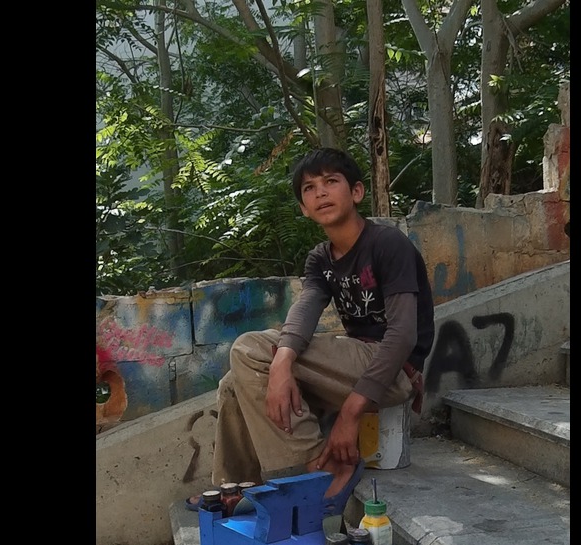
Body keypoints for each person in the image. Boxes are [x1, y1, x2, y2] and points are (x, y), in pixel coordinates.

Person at [186, 147, 434, 514]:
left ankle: (312, 468)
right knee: (233, 382)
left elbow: (403, 337)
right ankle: (240, 484)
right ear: (303, 207)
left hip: (393, 370)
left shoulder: (387, 244)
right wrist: (282, 364)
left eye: (331, 182)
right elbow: (304, 312)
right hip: (349, 366)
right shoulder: (321, 258)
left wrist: (349, 416)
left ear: (356, 192)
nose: (320, 192)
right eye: (309, 188)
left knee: (248, 349)